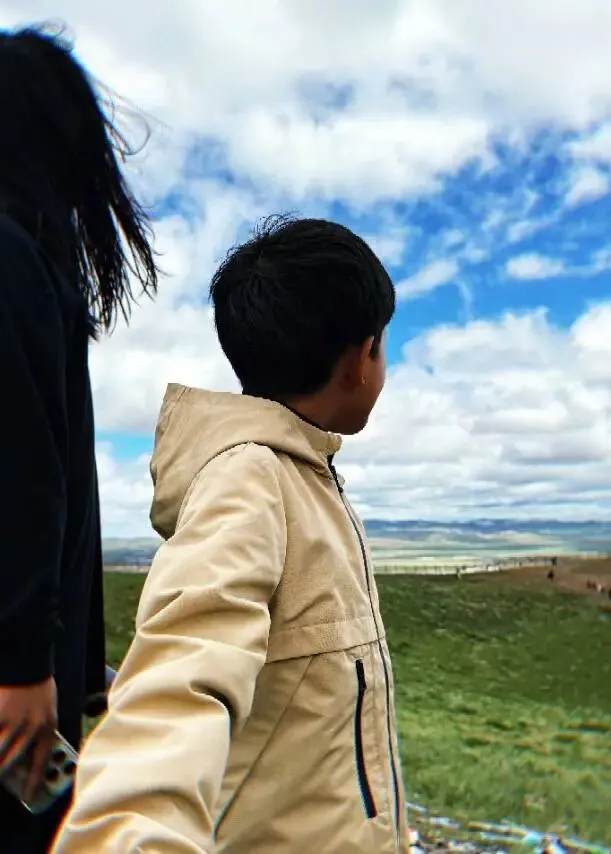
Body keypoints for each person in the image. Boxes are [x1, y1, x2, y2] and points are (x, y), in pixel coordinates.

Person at [54, 216, 410, 853]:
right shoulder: (251, 478)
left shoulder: (305, 473)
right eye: (383, 344)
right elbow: (179, 677)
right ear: (362, 359)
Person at [0, 24, 157, 853]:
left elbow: (49, 480)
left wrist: (73, 656)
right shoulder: (12, 255)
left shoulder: (26, 260)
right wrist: (26, 664)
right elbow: (25, 478)